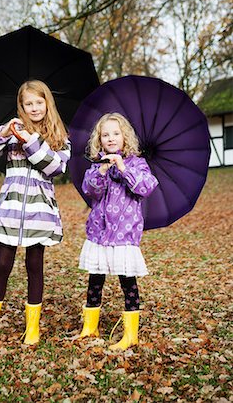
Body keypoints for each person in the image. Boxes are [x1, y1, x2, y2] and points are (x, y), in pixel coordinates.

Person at [0, 80, 71, 345]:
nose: (35, 107)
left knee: (34, 265)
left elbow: (55, 169)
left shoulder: (60, 137)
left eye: (39, 102)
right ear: (21, 106)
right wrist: (4, 133)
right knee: (2, 264)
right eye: (29, 103)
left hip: (40, 211)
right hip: (11, 207)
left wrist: (31, 142)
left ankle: (33, 328)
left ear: (47, 102)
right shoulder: (12, 129)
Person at [79, 112, 158, 350]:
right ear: (99, 140)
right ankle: (89, 327)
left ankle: (130, 333)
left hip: (124, 233)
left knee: (127, 280)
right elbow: (90, 191)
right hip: (99, 232)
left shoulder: (137, 163)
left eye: (116, 133)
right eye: (105, 135)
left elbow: (146, 187)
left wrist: (123, 168)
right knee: (95, 278)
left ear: (125, 137)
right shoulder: (96, 166)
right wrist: (102, 171)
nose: (111, 138)